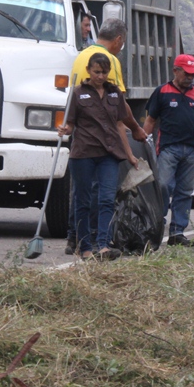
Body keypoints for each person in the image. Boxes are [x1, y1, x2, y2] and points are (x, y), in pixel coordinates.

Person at [65, 18, 147, 254]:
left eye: (103, 73)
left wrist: (129, 153)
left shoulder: (81, 55)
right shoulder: (110, 61)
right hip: (89, 148)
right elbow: (122, 116)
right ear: (118, 40)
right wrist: (136, 130)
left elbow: (117, 115)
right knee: (90, 197)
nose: (100, 76)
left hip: (96, 147)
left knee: (92, 196)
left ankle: (84, 241)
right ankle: (87, 242)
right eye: (97, 72)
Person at [143, 54, 194, 247]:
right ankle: (156, 225)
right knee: (163, 186)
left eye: (193, 74)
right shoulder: (162, 92)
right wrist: (143, 144)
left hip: (192, 150)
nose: (190, 77)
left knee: (185, 192)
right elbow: (151, 120)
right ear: (176, 71)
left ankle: (177, 232)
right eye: (187, 73)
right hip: (169, 148)